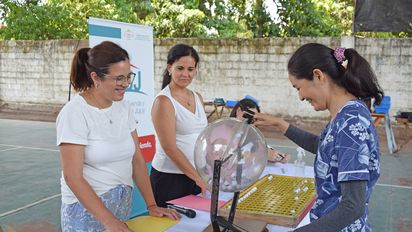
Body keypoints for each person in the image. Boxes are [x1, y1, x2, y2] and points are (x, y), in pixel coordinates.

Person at [253, 43, 383, 232]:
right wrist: (280, 124)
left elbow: (352, 206)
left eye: (298, 87)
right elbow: (323, 147)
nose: (300, 96)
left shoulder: (350, 122)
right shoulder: (343, 116)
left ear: (318, 75)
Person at [57, 41, 179, 232]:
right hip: (86, 212)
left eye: (128, 76)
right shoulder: (75, 112)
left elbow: (137, 159)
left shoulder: (124, 108)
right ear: (96, 77)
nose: (126, 84)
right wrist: (109, 221)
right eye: (118, 78)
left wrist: (151, 205)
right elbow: (73, 177)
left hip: (120, 208)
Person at [150, 44, 208, 207]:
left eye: (190, 69)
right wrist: (197, 178)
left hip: (195, 175)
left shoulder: (198, 97)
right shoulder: (163, 101)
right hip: (170, 178)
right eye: (180, 68)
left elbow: (202, 137)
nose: (185, 74)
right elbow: (169, 148)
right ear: (169, 68)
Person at [230, 98, 289, 163]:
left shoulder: (252, 134)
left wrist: (278, 157)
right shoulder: (224, 131)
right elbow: (229, 159)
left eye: (255, 118)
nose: (251, 120)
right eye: (249, 116)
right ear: (238, 111)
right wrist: (262, 156)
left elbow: (264, 149)